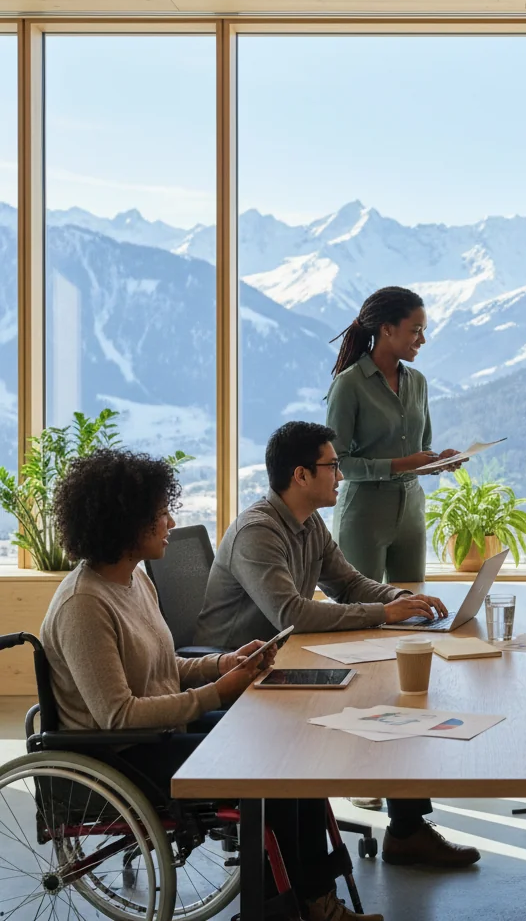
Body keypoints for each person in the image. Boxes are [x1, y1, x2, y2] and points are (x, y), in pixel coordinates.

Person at [39, 447, 379, 921]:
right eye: (161, 514)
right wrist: (217, 693)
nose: (172, 522)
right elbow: (117, 715)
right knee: (271, 765)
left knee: (291, 742)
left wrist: (223, 663)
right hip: (122, 753)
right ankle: (287, 908)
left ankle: (312, 898)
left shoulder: (134, 580)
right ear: (126, 523)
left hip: (159, 730)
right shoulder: (83, 606)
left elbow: (163, 666)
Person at [195, 420, 481, 869]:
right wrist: (384, 614)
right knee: (377, 697)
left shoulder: (308, 524)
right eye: (332, 466)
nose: (341, 476)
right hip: (246, 675)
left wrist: (398, 598)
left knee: (394, 696)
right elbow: (291, 614)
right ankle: (315, 885)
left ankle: (406, 830)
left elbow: (347, 583)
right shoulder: (258, 531)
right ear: (300, 475)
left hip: (284, 660)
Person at [325, 286, 460, 586]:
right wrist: (402, 464)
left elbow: (420, 450)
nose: (422, 340)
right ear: (386, 329)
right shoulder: (349, 385)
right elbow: (338, 464)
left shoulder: (419, 383)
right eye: (416, 331)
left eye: (423, 331)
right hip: (364, 515)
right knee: (361, 609)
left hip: (412, 511)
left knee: (413, 607)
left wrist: (438, 461)